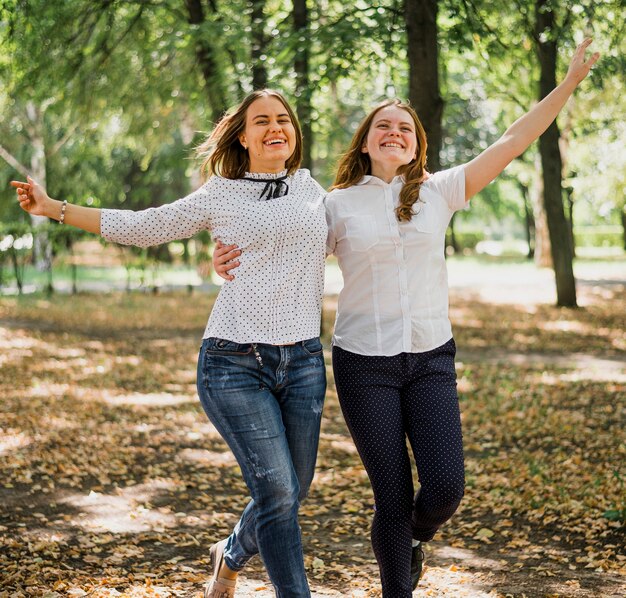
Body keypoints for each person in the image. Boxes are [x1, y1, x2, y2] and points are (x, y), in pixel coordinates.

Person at [212, 40, 599, 597]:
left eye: (406, 129)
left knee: (444, 488)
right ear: (366, 142)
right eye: (383, 127)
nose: (395, 133)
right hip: (363, 365)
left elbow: (514, 141)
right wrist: (221, 258)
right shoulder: (335, 204)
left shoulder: (442, 191)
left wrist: (566, 85)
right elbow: (279, 247)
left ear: (416, 145)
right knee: (390, 497)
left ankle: (413, 537)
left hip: (430, 360)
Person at [11, 89, 328, 598]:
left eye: (283, 120)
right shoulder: (221, 192)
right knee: (278, 489)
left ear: (294, 132)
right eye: (262, 121)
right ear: (243, 137)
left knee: (290, 492)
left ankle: (228, 556)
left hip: (305, 361)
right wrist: (54, 208)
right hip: (234, 362)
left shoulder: (314, 191)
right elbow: (144, 226)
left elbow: (356, 240)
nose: (276, 128)